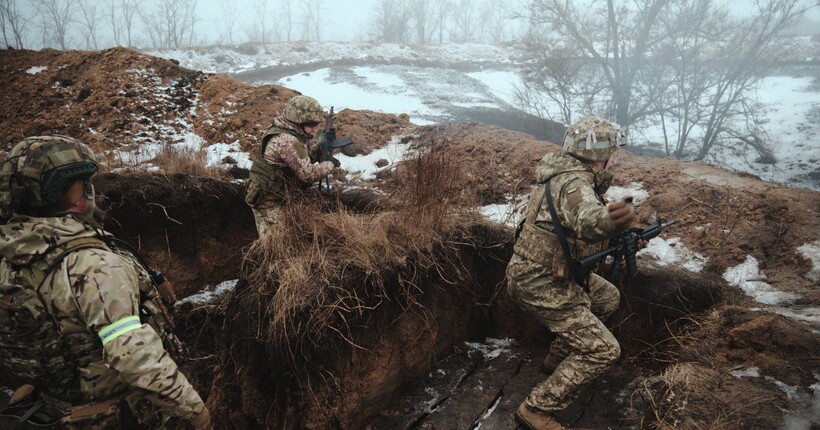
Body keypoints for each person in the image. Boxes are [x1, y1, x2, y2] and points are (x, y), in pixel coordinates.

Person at [0, 135, 210, 429]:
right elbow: (133, 356)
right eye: (84, 183)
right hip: (120, 414)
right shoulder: (93, 266)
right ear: (74, 193)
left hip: (56, 409)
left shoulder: (13, 254)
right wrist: (196, 412)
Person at [506, 117, 637, 430]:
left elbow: (574, 227)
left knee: (606, 297)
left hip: (549, 271)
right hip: (540, 280)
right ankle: (536, 409)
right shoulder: (574, 183)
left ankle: (557, 359)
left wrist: (623, 234)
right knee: (604, 351)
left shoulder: (566, 173)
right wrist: (610, 221)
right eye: (612, 152)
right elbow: (588, 221)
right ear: (599, 155)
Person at [245, 95, 338, 237]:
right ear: (299, 121)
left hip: (278, 194)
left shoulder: (287, 129)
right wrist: (330, 165)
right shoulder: (287, 141)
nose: (314, 130)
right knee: (275, 242)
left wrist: (320, 148)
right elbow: (308, 175)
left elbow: (298, 159)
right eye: (311, 125)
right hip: (267, 201)